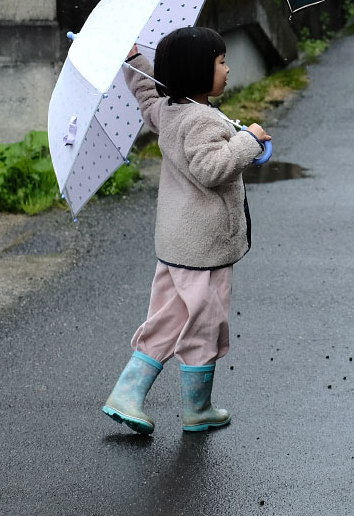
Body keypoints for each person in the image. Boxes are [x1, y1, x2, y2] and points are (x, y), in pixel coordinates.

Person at [101, 26, 270, 435]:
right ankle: (197, 408)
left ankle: (128, 393)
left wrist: (134, 61)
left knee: (169, 318)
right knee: (205, 323)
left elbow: (147, 93)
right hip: (205, 250)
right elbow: (210, 169)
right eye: (221, 61)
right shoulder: (199, 120)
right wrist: (248, 141)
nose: (228, 69)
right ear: (198, 71)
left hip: (177, 246)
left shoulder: (170, 110)